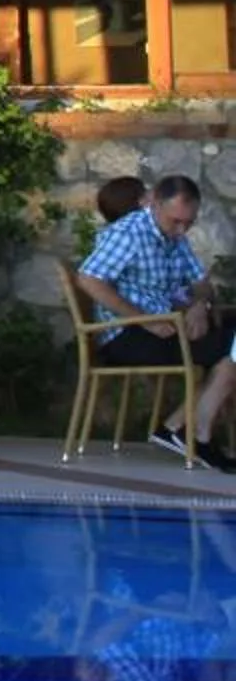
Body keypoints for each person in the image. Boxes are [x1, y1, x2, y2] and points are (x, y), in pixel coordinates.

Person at [78, 174, 236, 471]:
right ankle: (191, 433)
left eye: (188, 222)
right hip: (131, 335)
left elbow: (201, 282)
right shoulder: (130, 234)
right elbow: (89, 279)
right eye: (175, 221)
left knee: (232, 350)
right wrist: (144, 321)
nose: (181, 229)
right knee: (231, 350)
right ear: (155, 205)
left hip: (169, 324)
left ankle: (180, 429)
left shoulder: (174, 237)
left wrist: (200, 305)